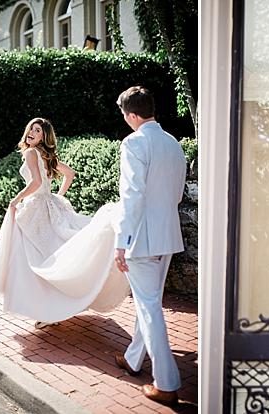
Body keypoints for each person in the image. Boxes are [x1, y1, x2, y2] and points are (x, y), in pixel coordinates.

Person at [0, 118, 131, 328]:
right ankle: (52, 309)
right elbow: (69, 175)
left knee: (35, 260)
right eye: (31, 128)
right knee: (54, 256)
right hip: (48, 205)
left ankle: (47, 311)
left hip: (36, 208)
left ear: (43, 137)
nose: (32, 132)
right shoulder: (46, 155)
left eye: (38, 131)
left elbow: (36, 182)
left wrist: (16, 199)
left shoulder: (30, 153)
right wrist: (56, 196)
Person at [110, 86, 186, 405]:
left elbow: (131, 195)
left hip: (141, 239)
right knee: (149, 302)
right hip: (167, 236)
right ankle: (133, 358)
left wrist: (121, 242)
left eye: (124, 116)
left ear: (131, 115)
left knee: (150, 307)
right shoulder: (173, 144)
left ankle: (166, 383)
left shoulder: (134, 142)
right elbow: (178, 194)